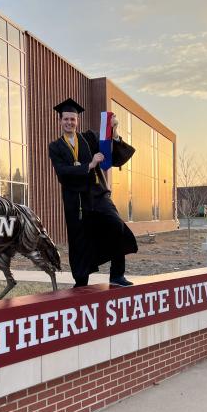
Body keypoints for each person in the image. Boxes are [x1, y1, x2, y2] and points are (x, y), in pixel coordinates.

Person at [48, 98, 138, 287]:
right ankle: (81, 282)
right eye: (66, 119)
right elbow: (62, 171)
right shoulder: (55, 147)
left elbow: (111, 155)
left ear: (77, 121)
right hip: (75, 200)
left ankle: (117, 275)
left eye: (73, 119)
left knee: (115, 225)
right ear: (60, 121)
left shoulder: (89, 138)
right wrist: (89, 165)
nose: (69, 122)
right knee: (79, 239)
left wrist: (114, 132)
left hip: (97, 193)